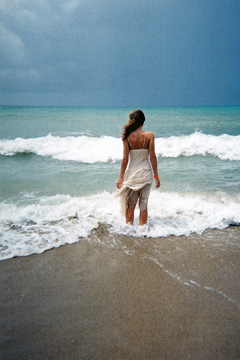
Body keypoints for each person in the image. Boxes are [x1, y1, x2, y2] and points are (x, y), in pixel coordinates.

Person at [116, 109, 160, 226]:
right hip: (146, 174)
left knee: (130, 205)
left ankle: (128, 231)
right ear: (143, 122)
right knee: (143, 205)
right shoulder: (149, 135)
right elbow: (153, 157)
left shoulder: (127, 137)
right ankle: (142, 232)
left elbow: (125, 159)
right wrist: (156, 176)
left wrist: (120, 177)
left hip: (132, 175)